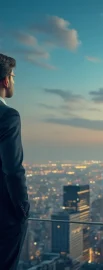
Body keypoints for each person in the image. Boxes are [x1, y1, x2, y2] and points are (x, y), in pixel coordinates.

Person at [0, 53, 30, 269]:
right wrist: (22, 207)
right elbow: (13, 169)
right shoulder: (7, 116)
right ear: (5, 80)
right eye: (13, 75)